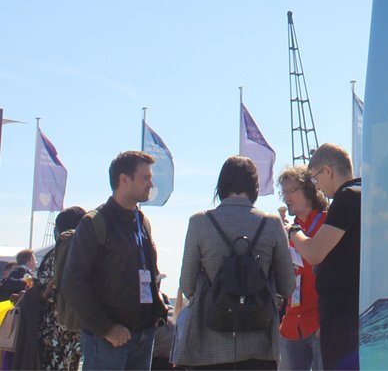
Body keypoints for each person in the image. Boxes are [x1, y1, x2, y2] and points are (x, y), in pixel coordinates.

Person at [174, 155, 294, 370]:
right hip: (260, 344)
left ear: (221, 184)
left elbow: (187, 285)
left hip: (209, 345)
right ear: (254, 186)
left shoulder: (199, 222)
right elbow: (287, 286)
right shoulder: (272, 224)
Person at [60, 150, 168, 370]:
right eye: (145, 177)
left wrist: (157, 314)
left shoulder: (142, 221)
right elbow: (73, 283)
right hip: (108, 342)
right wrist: (107, 328)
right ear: (123, 179)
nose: (151, 184)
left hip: (143, 336)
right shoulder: (94, 223)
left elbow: (149, 272)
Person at [289, 144, 360, 371]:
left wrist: (294, 233)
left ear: (328, 171)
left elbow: (314, 253)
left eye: (316, 178)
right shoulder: (367, 193)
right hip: (362, 310)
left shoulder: (347, 197)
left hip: (341, 316)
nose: (317, 186)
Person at [277, 166, 328, 370]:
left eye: (292, 190)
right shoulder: (289, 229)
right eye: (284, 192)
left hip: (319, 323)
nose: (287, 197)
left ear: (309, 190)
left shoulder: (328, 222)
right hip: (291, 325)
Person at [38, 205, 87, 370]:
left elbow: (44, 288)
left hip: (54, 331)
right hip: (77, 328)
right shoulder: (86, 252)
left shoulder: (53, 255)